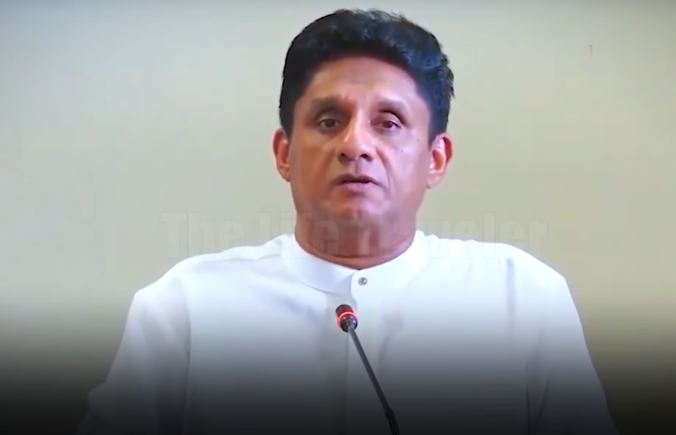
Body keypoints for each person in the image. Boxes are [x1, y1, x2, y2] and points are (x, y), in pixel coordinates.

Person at [77, 8, 619, 435]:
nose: (355, 144)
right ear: (284, 153)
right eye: (328, 120)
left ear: (435, 159)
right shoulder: (186, 306)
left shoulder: (522, 297)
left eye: (389, 122)